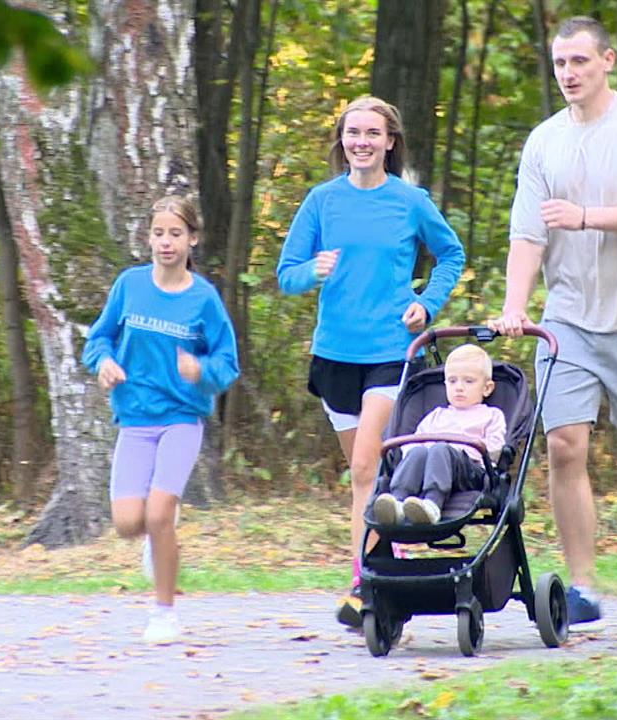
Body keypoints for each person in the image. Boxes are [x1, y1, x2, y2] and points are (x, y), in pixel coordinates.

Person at [490, 16, 617, 632]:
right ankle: (583, 587)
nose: (569, 74)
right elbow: (528, 233)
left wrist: (585, 216)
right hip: (569, 317)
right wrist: (515, 304)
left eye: (579, 61)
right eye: (559, 64)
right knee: (562, 446)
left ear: (608, 61)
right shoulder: (544, 141)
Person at [277, 96, 465, 628]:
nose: (361, 141)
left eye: (371, 133)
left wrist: (427, 303)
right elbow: (286, 274)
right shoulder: (321, 201)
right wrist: (312, 269)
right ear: (342, 141)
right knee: (371, 473)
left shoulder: (409, 201)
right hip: (334, 354)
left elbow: (452, 254)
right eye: (352, 132)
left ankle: (364, 585)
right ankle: (392, 556)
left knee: (365, 466)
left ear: (389, 142)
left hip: (389, 350)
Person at [82, 196, 240, 644]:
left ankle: (164, 613)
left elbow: (227, 364)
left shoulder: (204, 299)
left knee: (159, 513)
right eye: (158, 233)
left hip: (181, 419)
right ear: (148, 237)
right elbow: (99, 338)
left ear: (192, 239)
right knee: (129, 523)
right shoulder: (130, 285)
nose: (166, 242)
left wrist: (201, 372)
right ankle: (158, 544)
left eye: (175, 234)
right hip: (134, 418)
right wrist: (104, 364)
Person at [372, 344, 507, 526]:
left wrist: (456, 450)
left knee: (440, 448)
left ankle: (433, 504)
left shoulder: (491, 415)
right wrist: (424, 452)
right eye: (452, 381)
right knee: (418, 452)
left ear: (487, 388)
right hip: (432, 465)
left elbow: (494, 449)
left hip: (470, 471)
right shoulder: (437, 415)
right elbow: (414, 441)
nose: (459, 388)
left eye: (468, 381)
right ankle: (397, 501)